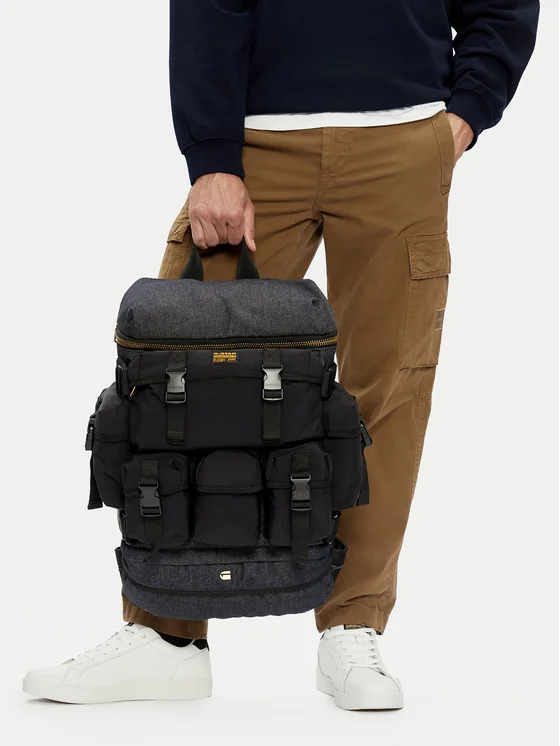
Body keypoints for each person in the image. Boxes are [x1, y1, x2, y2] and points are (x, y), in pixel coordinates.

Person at [23, 0, 539, 708]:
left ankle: (353, 627)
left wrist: (467, 113)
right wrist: (212, 157)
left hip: (403, 141)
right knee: (181, 377)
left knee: (387, 388)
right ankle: (167, 636)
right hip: (256, 143)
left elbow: (504, 7)